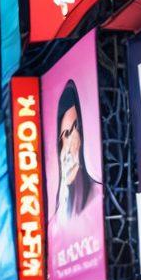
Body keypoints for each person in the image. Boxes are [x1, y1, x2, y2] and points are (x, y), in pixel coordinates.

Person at [52, 80, 103, 224]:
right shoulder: (58, 219)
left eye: (76, 127)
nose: (67, 149)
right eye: (65, 136)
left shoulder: (99, 197)